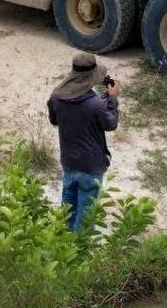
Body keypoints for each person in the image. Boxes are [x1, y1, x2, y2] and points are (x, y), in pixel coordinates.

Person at [47, 53, 120, 231]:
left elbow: (55, 121)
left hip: (69, 162)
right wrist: (112, 98)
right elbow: (110, 123)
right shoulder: (96, 104)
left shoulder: (56, 98)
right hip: (91, 165)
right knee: (85, 217)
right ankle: (81, 252)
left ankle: (63, 247)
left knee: (67, 209)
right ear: (92, 77)